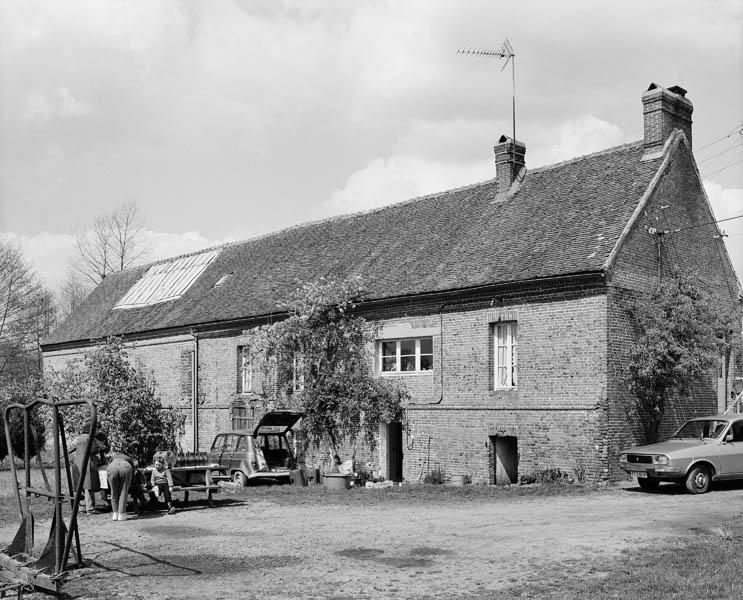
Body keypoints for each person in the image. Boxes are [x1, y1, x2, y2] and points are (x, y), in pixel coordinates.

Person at [70, 423, 102, 514]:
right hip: (86, 463)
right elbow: (94, 449)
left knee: (79, 486)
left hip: (76, 463)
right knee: (88, 485)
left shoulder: (79, 437)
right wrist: (100, 448)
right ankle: (90, 508)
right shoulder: (89, 437)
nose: (97, 431)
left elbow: (72, 449)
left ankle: (81, 507)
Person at [107, 452, 135, 522]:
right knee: (123, 491)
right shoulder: (128, 458)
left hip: (112, 466)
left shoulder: (113, 457)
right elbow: (133, 470)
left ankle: (115, 514)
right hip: (125, 466)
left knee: (113, 491)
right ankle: (121, 514)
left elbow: (108, 465)